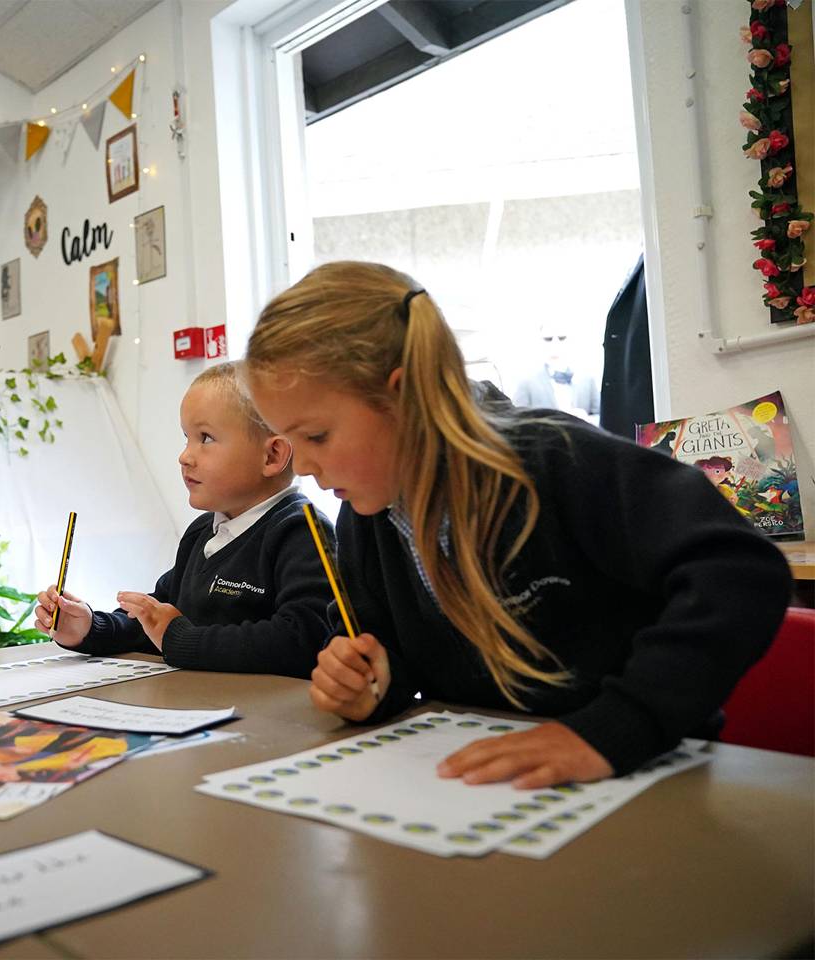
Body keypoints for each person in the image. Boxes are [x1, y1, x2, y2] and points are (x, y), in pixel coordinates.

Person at [243, 261, 790, 786]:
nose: (306, 468)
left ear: (403, 395)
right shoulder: (367, 517)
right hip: (491, 787)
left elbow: (739, 570)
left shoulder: (556, 459)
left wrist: (615, 728)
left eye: (316, 437)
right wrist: (374, 683)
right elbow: (403, 657)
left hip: (646, 781)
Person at [34, 362, 335, 678]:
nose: (184, 456)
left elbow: (304, 639)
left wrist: (179, 639)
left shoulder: (302, 533)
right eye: (186, 438)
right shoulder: (202, 533)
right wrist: (90, 627)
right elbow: (155, 620)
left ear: (271, 456)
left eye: (205, 438)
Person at [511, 321, 600, 423]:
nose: (555, 344)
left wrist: (585, 419)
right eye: (548, 339)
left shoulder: (588, 378)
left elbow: (602, 418)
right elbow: (517, 422)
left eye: (562, 338)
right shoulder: (525, 381)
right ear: (539, 341)